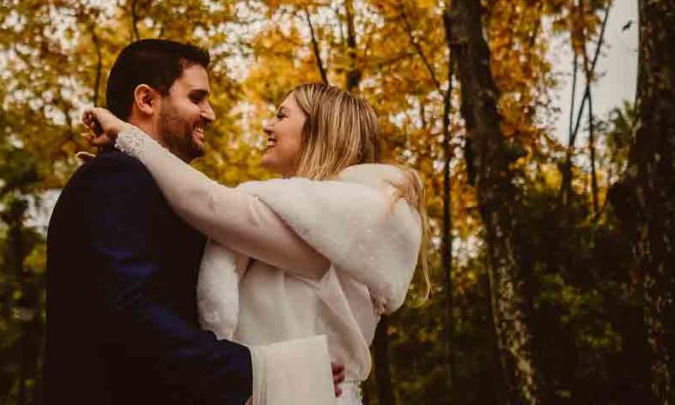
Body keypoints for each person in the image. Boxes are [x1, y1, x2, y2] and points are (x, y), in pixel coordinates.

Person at [85, 82, 431, 405]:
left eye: (281, 116)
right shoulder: (311, 221)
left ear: (321, 130)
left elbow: (208, 203)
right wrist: (135, 188)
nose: (268, 126)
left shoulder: (328, 222)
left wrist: (127, 136)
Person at [44, 39, 344, 404]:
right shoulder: (114, 178)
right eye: (196, 98)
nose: (210, 113)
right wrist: (265, 369)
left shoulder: (155, 192)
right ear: (147, 100)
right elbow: (131, 317)